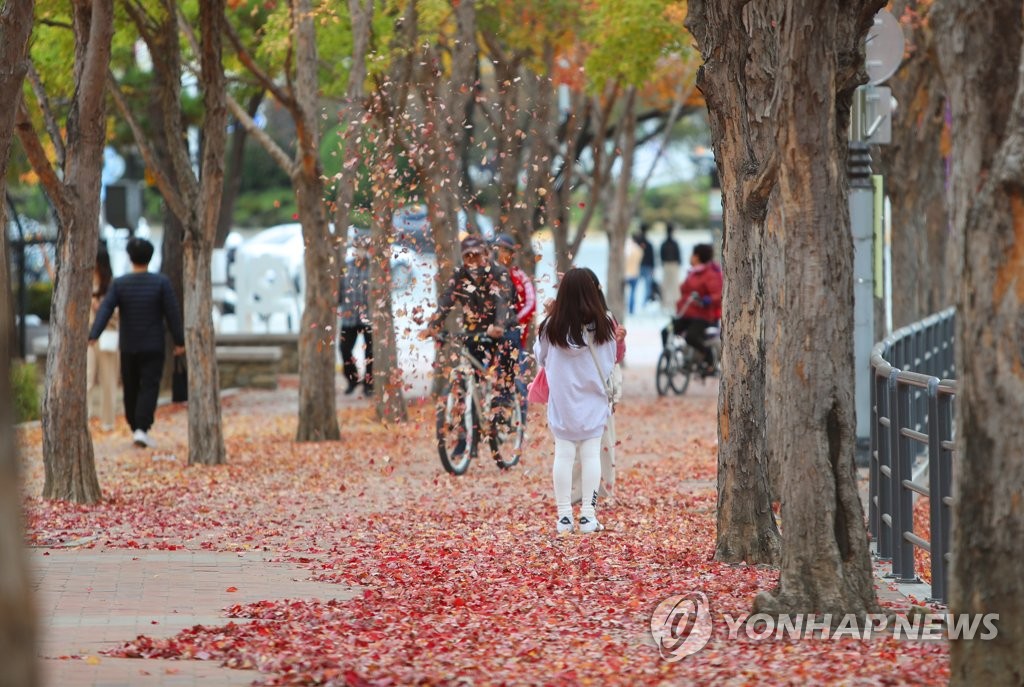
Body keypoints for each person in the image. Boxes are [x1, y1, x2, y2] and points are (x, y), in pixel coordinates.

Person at [534, 268, 618, 534]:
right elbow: (610, 360)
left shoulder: (551, 326)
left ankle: (564, 517)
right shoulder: (605, 323)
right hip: (592, 401)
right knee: (591, 455)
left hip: (563, 402)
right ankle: (588, 517)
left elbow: (540, 357)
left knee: (563, 454)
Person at [88, 237, 185, 449]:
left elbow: (105, 309)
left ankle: (136, 426)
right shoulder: (161, 283)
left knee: (130, 386)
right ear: (150, 258)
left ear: (130, 257)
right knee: (150, 385)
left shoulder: (120, 284)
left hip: (129, 345)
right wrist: (179, 341)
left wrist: (93, 334)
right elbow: (173, 314)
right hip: (154, 345)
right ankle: (141, 428)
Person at [420, 235, 517, 406]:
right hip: (475, 331)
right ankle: (469, 419)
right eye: (468, 256)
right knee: (472, 374)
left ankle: (506, 403)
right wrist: (433, 326)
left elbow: (502, 301)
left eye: (477, 255)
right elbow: (447, 300)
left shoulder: (499, 272)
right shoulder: (460, 274)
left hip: (502, 330)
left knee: (503, 373)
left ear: (486, 254)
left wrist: (499, 325)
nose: (472, 260)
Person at [490, 232, 536, 421]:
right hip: (491, 334)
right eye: (498, 250)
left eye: (505, 251)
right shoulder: (488, 275)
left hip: (514, 335)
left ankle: (520, 421)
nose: (502, 254)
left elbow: (531, 303)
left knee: (517, 378)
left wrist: (515, 321)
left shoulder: (520, 277)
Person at [661, 243, 722, 376]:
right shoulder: (693, 273)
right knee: (666, 331)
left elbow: (718, 294)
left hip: (703, 316)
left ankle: (708, 356)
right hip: (686, 314)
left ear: (697, 256)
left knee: (691, 337)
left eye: (693, 254)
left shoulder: (710, 274)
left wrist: (707, 300)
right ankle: (668, 360)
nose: (690, 257)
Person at [87, 248, 118, 431]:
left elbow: (117, 313)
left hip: (106, 336)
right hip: (87, 337)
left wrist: (102, 308)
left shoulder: (112, 285)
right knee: (87, 378)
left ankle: (108, 421)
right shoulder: (83, 281)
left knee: (108, 379)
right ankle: (86, 417)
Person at [338, 235, 373, 395]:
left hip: (369, 318)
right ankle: (352, 380)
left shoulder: (373, 268)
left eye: (363, 248)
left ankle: (369, 385)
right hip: (349, 316)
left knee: (370, 353)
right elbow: (339, 289)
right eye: (358, 248)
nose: (360, 252)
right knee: (344, 349)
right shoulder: (346, 267)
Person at [659, 222, 682, 313]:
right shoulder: (674, 243)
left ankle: (666, 302)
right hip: (673, 264)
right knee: (674, 285)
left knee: (667, 284)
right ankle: (673, 302)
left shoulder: (664, 243)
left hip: (667, 264)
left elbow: (661, 255)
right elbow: (678, 255)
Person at [624, 234, 643, 315]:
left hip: (626, 273)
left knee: (624, 292)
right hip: (635, 272)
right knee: (633, 292)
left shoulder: (627, 249)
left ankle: (625, 307)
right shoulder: (639, 250)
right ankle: (631, 309)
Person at [638, 224, 656, 306]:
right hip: (647, 266)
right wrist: (653, 268)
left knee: (636, 287)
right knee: (647, 286)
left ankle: (640, 304)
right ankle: (644, 303)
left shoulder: (637, 243)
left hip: (639, 266)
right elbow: (652, 257)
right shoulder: (649, 244)